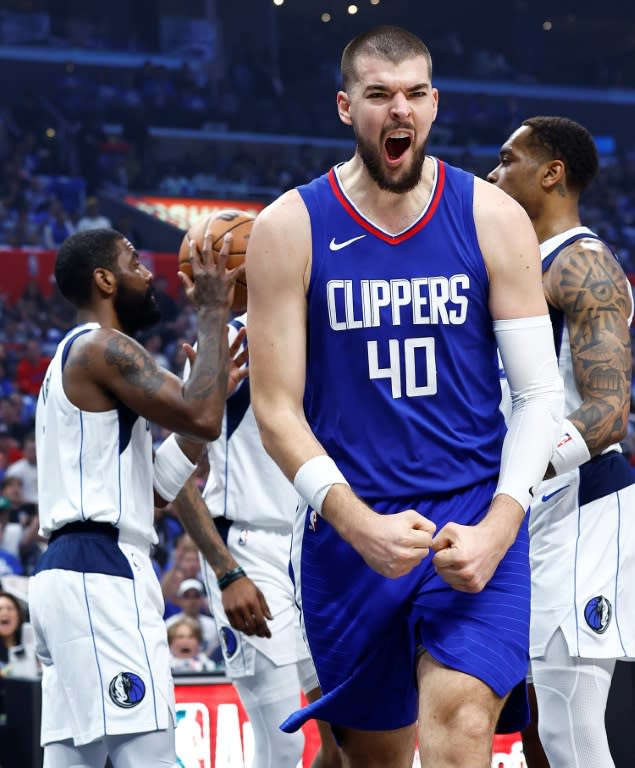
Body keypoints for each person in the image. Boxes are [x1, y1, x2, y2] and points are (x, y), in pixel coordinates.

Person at [245, 25, 564, 768]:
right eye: (380, 94)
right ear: (344, 106)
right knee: (372, 759)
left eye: (416, 93)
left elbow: (538, 393)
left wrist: (498, 525)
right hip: (350, 530)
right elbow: (276, 411)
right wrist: (358, 527)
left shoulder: (490, 216)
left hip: (472, 520)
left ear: (434, 103)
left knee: (458, 731)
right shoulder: (288, 228)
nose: (400, 110)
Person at [28, 225, 242, 768]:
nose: (148, 275)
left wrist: (201, 410)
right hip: (99, 575)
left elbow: (150, 494)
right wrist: (214, 312)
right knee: (149, 753)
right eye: (134, 263)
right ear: (104, 280)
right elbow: (203, 414)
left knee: (76, 758)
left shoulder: (73, 361)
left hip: (75, 571)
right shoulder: (104, 347)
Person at [488, 116, 635, 768]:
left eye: (506, 160)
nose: (493, 175)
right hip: (525, 511)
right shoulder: (521, 266)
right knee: (534, 725)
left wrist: (516, 477)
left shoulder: (582, 265)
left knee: (569, 729)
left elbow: (609, 411)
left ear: (551, 172)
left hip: (577, 507)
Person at [172, 308, 343, 768]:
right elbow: (175, 476)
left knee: (346, 741)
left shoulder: (327, 325)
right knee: (284, 742)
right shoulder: (224, 342)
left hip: (316, 549)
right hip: (250, 548)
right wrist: (228, 572)